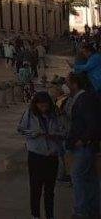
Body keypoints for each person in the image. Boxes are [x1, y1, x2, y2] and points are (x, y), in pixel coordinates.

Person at [18, 91, 66, 219]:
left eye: (46, 105)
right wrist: (34, 133)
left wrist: (54, 134)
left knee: (50, 189)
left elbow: (64, 131)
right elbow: (21, 129)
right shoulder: (30, 114)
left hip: (52, 155)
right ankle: (35, 214)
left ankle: (50, 215)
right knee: (36, 187)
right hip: (36, 155)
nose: (43, 108)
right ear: (36, 104)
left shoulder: (56, 114)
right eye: (41, 105)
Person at [65, 71, 101, 218]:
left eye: (67, 82)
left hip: (84, 146)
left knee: (77, 176)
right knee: (90, 177)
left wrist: (83, 140)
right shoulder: (83, 98)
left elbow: (93, 123)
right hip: (87, 145)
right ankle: (93, 208)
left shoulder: (84, 99)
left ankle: (80, 211)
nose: (66, 84)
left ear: (74, 84)